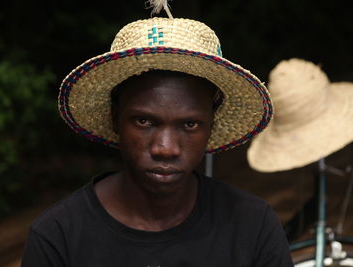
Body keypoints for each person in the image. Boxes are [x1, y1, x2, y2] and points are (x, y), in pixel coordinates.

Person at [21, 3, 294, 266]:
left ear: (211, 124)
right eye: (144, 121)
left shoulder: (253, 227)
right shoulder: (58, 238)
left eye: (189, 125)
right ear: (116, 119)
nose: (166, 149)